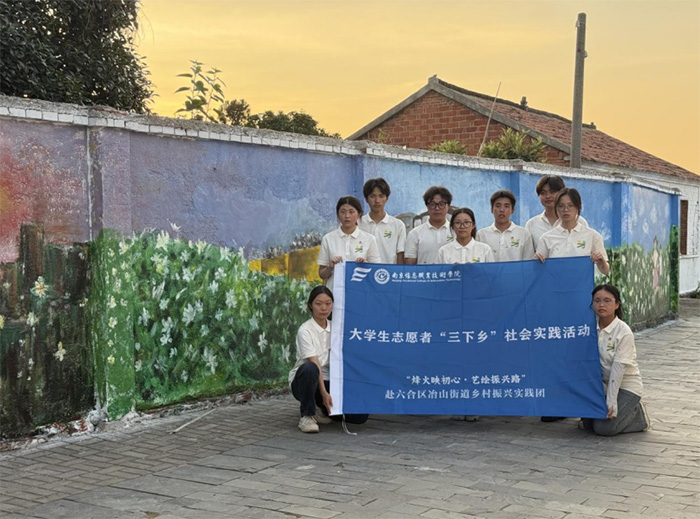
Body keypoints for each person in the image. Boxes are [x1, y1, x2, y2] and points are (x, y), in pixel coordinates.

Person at [288, 286, 368, 433]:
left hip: (330, 381)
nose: (323, 308)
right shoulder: (305, 330)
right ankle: (307, 416)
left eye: (328, 303)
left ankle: (321, 409)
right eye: (318, 304)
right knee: (310, 368)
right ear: (310, 305)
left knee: (359, 417)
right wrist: (324, 393)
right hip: (306, 381)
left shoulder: (337, 329)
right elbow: (315, 363)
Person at [581, 284, 650, 436]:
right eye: (597, 301)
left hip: (626, 386)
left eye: (607, 300)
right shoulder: (588, 329)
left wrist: (611, 401)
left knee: (603, 429)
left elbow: (618, 370)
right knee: (587, 425)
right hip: (602, 386)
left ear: (617, 304)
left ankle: (637, 416)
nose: (601, 305)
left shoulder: (623, 332)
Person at [534, 188, 610, 276]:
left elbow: (605, 271)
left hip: (582, 284)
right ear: (556, 208)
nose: (566, 209)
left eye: (571, 205)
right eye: (561, 206)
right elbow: (537, 270)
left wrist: (601, 262)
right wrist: (536, 262)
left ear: (578, 207)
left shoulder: (593, 236)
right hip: (554, 284)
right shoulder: (546, 238)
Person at [318, 196, 381, 291]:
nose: (347, 216)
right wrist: (330, 267)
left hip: (360, 291)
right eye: (343, 212)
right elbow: (322, 274)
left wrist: (366, 265)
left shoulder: (369, 239)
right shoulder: (328, 238)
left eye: (351, 212)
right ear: (337, 214)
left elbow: (376, 271)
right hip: (335, 292)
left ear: (359, 214)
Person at [526, 175, 588, 249]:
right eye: (543, 193)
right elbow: (528, 253)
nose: (548, 196)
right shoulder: (532, 225)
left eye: (552, 192)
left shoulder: (579, 221)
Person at [476, 190, 535, 262]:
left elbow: (528, 262)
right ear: (491, 209)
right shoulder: (481, 235)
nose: (502, 210)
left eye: (506, 206)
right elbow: (478, 261)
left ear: (512, 210)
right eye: (498, 206)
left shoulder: (523, 234)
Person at [359, 177, 406, 264]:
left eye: (381, 196)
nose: (377, 201)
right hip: (365, 271)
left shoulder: (398, 225)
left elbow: (400, 255)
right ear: (366, 199)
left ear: (386, 198)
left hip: (389, 271)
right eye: (372, 196)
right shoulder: (358, 224)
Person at [405, 186, 454, 264]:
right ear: (427, 206)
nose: (437, 208)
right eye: (432, 204)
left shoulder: (456, 232)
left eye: (441, 204)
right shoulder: (415, 234)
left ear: (448, 206)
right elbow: (410, 265)